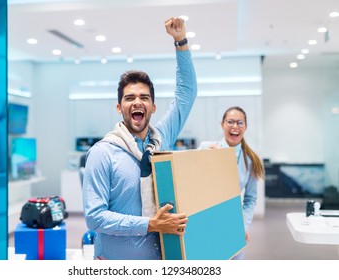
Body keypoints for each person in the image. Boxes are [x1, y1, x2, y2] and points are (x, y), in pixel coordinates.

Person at [83, 17, 197, 260]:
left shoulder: (161, 139)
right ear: (119, 107)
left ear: (153, 107)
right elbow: (94, 217)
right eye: (129, 97)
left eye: (144, 98)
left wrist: (181, 41)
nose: (137, 102)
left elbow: (186, 94)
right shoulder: (103, 152)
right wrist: (150, 224)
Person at [198, 106, 264, 259]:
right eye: (230, 122)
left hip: (233, 222)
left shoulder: (251, 160)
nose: (235, 127)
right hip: (206, 220)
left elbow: (250, 199)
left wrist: (243, 226)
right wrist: (207, 160)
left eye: (240, 123)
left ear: (245, 127)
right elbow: (195, 185)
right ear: (222, 124)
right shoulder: (206, 148)